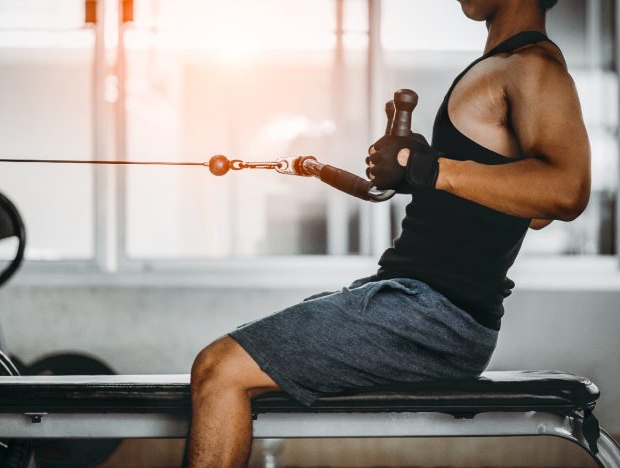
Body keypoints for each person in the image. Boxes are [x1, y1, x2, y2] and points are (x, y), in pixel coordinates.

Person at [185, 0, 590, 466]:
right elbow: (529, 210)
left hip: (434, 314)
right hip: (420, 303)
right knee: (240, 370)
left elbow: (565, 191)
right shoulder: (505, 66)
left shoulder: (531, 66)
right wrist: (419, 173)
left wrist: (428, 167)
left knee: (219, 369)